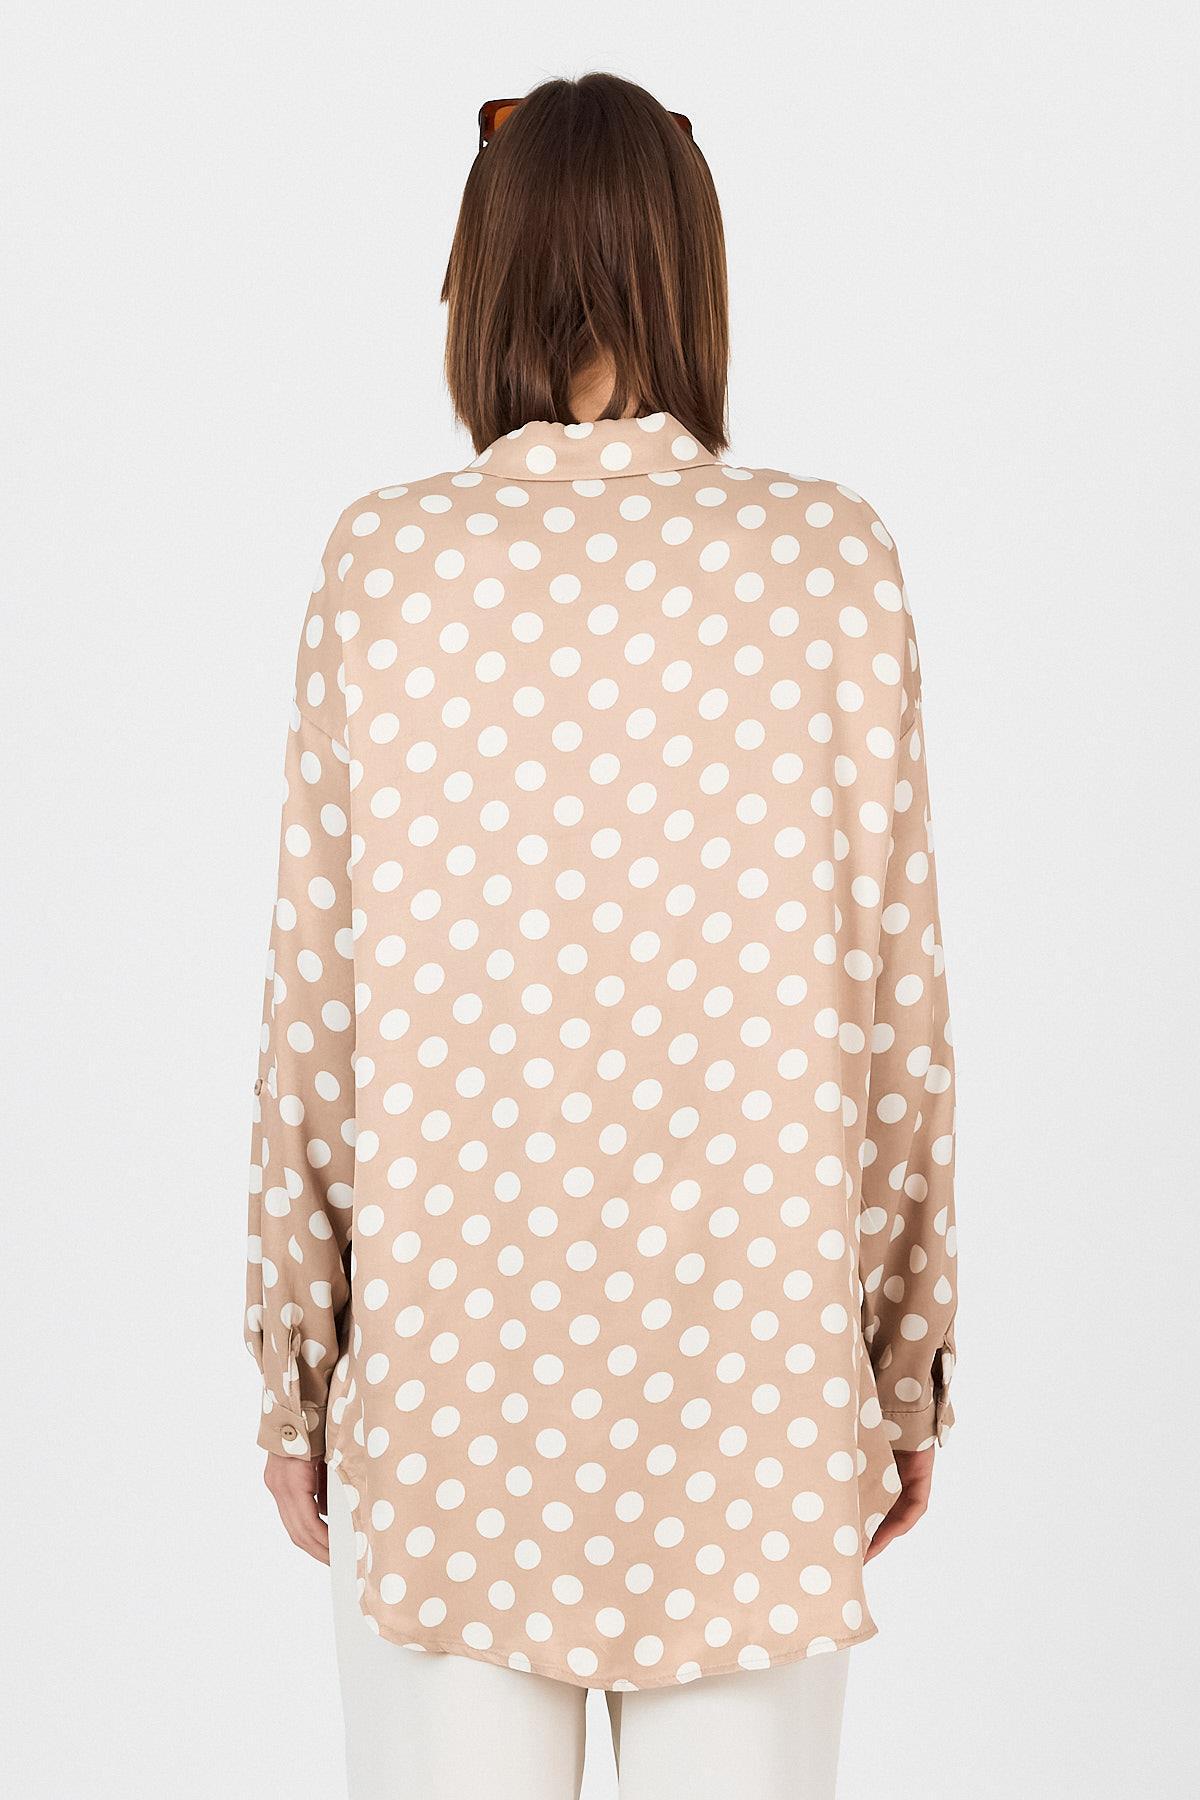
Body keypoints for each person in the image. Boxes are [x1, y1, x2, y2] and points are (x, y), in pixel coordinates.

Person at [242, 70, 958, 1800]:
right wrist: (902, 1367)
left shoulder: (388, 568)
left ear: (481, 277)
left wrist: (297, 1372)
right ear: (692, 272)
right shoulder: (830, 562)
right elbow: (896, 1018)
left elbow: (318, 1017)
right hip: (755, 1402)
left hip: (456, 1408)